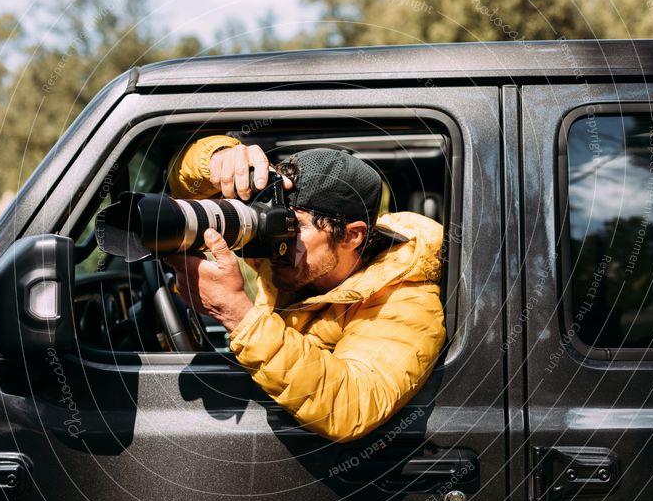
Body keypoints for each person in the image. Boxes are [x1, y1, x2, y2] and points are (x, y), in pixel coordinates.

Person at [164, 135, 446, 442]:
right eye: (273, 218)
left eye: (293, 225)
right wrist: (217, 159)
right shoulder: (296, 259)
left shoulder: (405, 297)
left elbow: (351, 406)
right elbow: (184, 196)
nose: (277, 238)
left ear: (352, 235)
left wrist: (238, 314)